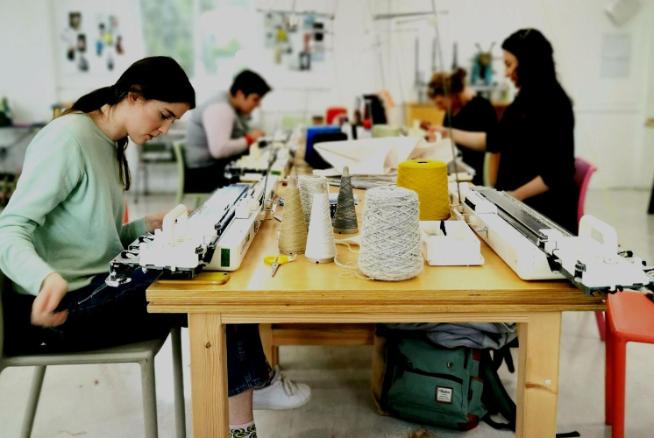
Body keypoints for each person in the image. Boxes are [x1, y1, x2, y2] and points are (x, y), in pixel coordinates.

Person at [0, 56, 307, 438]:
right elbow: (9, 227)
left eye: (172, 121)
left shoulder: (109, 141)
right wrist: (43, 279)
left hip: (94, 286)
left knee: (217, 276)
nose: (164, 129)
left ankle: (253, 388)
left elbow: (94, 237)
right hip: (62, 308)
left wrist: (144, 227)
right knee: (212, 293)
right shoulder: (68, 138)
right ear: (133, 96)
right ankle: (253, 390)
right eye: (163, 116)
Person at [432, 29, 578, 233]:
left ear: (529, 63)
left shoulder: (555, 105)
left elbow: (558, 172)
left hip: (541, 215)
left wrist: (513, 197)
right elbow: (494, 140)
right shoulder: (523, 101)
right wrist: (448, 132)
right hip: (516, 202)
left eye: (509, 64)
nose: (506, 72)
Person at [185, 69, 272, 192]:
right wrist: (250, 139)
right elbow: (219, 150)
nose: (258, 105)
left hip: (212, 169)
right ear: (241, 94)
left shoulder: (229, 104)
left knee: (265, 170)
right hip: (204, 174)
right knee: (265, 175)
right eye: (255, 99)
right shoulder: (221, 108)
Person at [427, 68, 497, 185]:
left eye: (440, 102)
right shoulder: (451, 111)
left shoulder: (481, 108)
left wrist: (446, 133)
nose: (438, 108)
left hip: (474, 176)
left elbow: (491, 145)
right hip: (455, 170)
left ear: (452, 94)